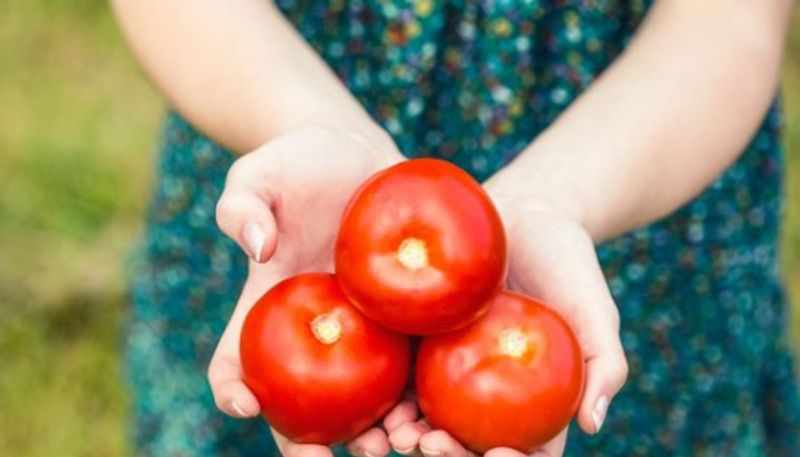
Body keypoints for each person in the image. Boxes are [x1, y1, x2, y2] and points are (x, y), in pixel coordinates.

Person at [113, 0, 800, 456]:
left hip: (634, 168)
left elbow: (730, 22)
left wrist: (555, 198)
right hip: (276, 124)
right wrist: (313, 127)